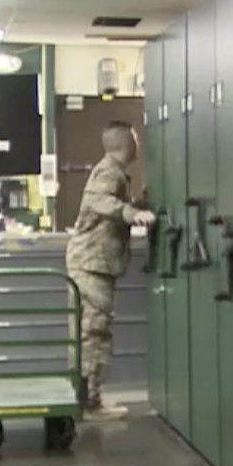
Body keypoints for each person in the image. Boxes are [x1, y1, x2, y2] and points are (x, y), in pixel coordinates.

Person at [65, 121, 155, 418]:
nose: (139, 143)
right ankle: (89, 402)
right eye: (136, 138)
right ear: (127, 143)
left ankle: (84, 396)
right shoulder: (108, 172)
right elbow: (101, 202)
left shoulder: (115, 174)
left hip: (93, 264)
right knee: (93, 331)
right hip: (91, 265)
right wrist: (133, 213)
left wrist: (137, 202)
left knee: (89, 330)